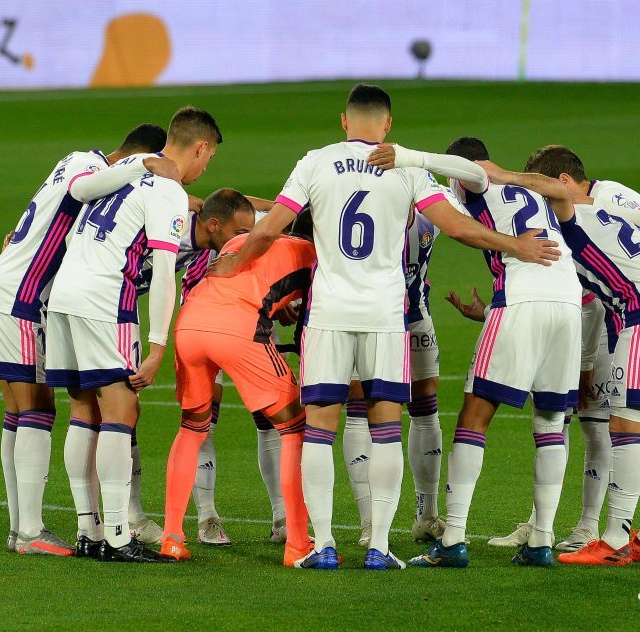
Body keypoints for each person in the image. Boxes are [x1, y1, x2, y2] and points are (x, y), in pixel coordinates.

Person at [213, 84, 561, 570]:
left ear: (344, 121)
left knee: (319, 429)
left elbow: (271, 227)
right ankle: (379, 547)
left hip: (328, 314)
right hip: (385, 317)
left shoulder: (314, 161)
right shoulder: (408, 169)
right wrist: (515, 245)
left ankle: (324, 545)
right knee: (384, 430)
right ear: (388, 125)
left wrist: (233, 266)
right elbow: (459, 227)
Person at [482, 159, 640, 565]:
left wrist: (505, 176)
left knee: (625, 426)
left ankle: (616, 540)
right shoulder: (613, 212)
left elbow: (561, 194)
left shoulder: (573, 217)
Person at [374, 138, 582, 568]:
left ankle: (453, 540)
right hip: (567, 302)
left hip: (521, 297)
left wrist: (410, 157)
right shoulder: (531, 189)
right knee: (550, 422)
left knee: (474, 416)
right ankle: (542, 540)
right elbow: (565, 192)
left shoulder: (474, 178)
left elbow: (467, 173)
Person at [0, 123, 170, 555]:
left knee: (17, 411)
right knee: (37, 409)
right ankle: (29, 531)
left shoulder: (74, 157)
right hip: (20, 298)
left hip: (3, 286)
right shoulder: (90, 167)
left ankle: (18, 528)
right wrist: (142, 167)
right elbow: (83, 190)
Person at [46, 105, 222, 563]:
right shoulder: (167, 190)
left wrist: (141, 163)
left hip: (65, 295)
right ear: (199, 147)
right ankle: (120, 537)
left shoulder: (128, 164)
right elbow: (164, 273)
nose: (205, 170)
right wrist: (159, 344)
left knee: (85, 408)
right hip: (106, 300)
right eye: (208, 159)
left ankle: (89, 530)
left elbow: (79, 188)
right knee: (122, 408)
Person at [160, 213, 315, 566]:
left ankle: (172, 538)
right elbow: (312, 319)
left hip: (190, 325)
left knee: (192, 428)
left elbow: (248, 279)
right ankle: (298, 542)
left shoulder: (237, 242)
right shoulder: (315, 256)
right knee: (294, 427)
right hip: (239, 330)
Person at [342, 202, 449, 547]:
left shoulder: (429, 216)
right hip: (367, 322)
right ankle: (370, 522)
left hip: (415, 317)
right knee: (360, 405)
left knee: (426, 403)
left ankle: (426, 514)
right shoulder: (365, 220)